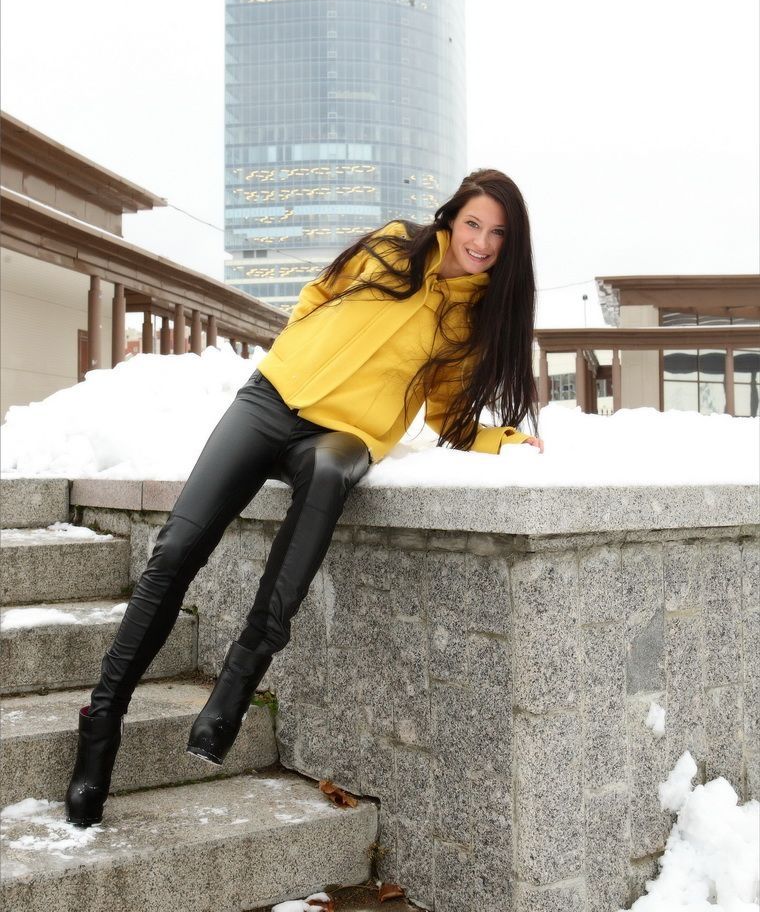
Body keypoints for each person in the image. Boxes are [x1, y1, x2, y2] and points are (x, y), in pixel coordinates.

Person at [65, 168, 544, 827]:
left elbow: (446, 414)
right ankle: (101, 724)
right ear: (451, 217)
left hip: (347, 434)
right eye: (473, 224)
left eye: (496, 233)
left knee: (327, 475)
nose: (482, 242)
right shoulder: (395, 246)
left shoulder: (472, 319)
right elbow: (319, 292)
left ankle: (239, 679)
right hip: (271, 401)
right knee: (177, 547)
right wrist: (299, 357)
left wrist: (502, 442)